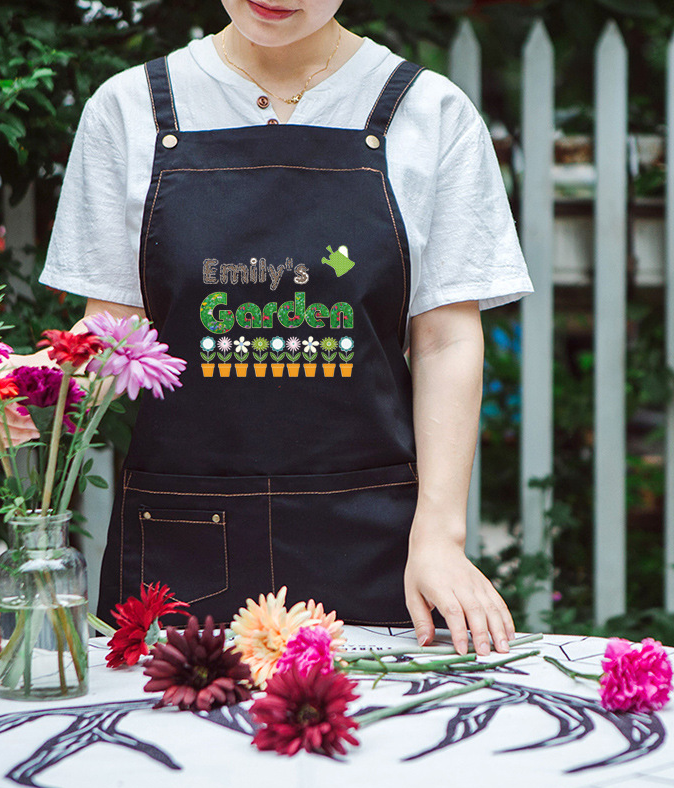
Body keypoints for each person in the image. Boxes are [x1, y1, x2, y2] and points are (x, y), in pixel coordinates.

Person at [38, 0, 534, 656]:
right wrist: (21, 398)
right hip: (181, 547)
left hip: (378, 549)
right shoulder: (129, 111)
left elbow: (445, 341)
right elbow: (108, 337)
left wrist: (440, 537)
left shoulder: (428, 114)